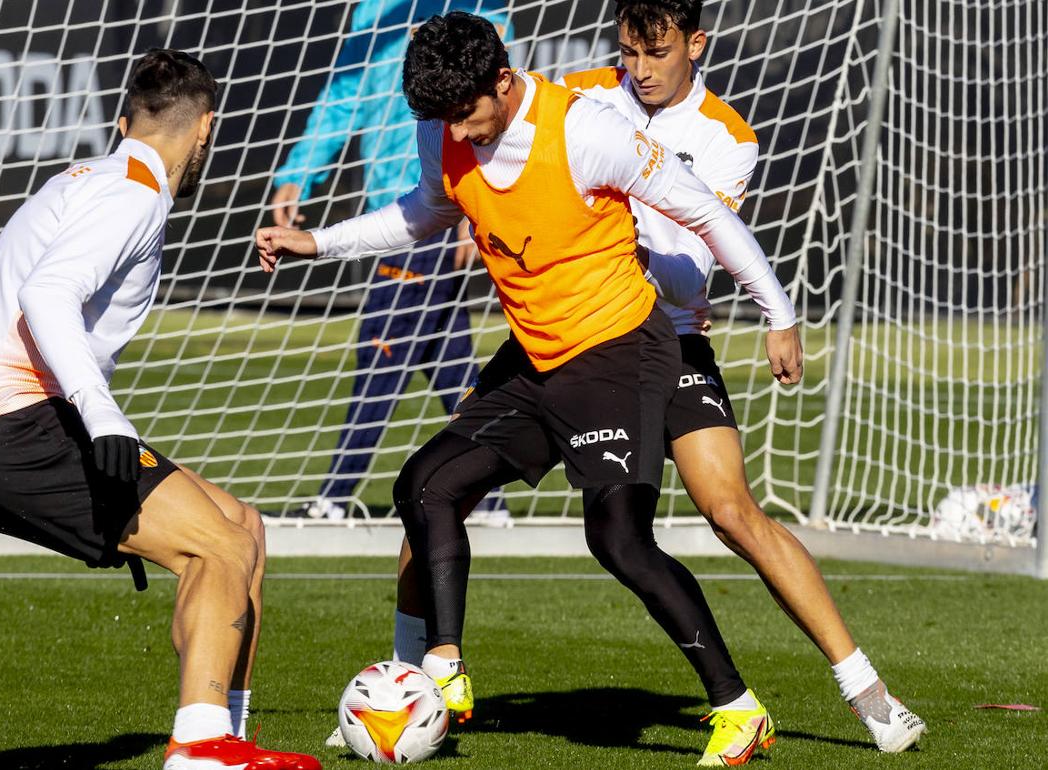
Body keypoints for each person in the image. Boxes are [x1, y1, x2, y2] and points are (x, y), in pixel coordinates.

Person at [256, 12, 802, 766]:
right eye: (441, 117)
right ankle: (437, 672)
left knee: (618, 541)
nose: (457, 130)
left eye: (465, 113)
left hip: (621, 351)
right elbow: (426, 211)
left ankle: (739, 709)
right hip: (535, 359)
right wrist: (318, 241)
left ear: (503, 84)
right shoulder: (444, 127)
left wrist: (779, 315)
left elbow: (705, 212)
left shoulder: (586, 131)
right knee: (425, 486)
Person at [553, 0, 927, 754]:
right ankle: (424, 669)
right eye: (628, 51)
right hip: (580, 341)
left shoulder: (727, 137)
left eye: (656, 52)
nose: (640, 69)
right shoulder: (578, 94)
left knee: (732, 511)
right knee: (444, 478)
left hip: (673, 341)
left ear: (696, 43)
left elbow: (695, 270)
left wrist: (616, 251)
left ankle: (869, 692)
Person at [0, 49, 319, 770]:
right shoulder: (132, 197)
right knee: (221, 548)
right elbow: (46, 295)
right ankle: (202, 747)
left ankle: (222, 736)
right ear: (206, 128)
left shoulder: (93, 179)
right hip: (15, 429)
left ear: (123, 122)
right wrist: (103, 414)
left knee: (240, 526)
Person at [268, 0, 510, 522]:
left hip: (439, 214)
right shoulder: (370, 17)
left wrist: (478, 204)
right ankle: (490, 496)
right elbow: (343, 98)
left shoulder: (479, 12)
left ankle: (335, 494)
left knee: (382, 356)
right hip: (392, 214)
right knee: (450, 366)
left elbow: (496, 109)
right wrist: (297, 172)